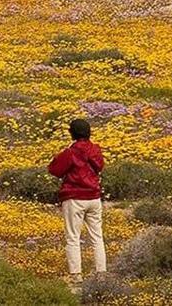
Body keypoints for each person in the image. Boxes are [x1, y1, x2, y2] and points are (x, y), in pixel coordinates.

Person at [48, 118, 107, 284]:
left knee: (73, 238)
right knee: (97, 237)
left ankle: (76, 276)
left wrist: (56, 158)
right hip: (94, 197)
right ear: (89, 132)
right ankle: (101, 274)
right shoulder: (95, 150)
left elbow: (55, 170)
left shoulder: (70, 152)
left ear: (72, 133)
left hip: (74, 198)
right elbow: (100, 166)